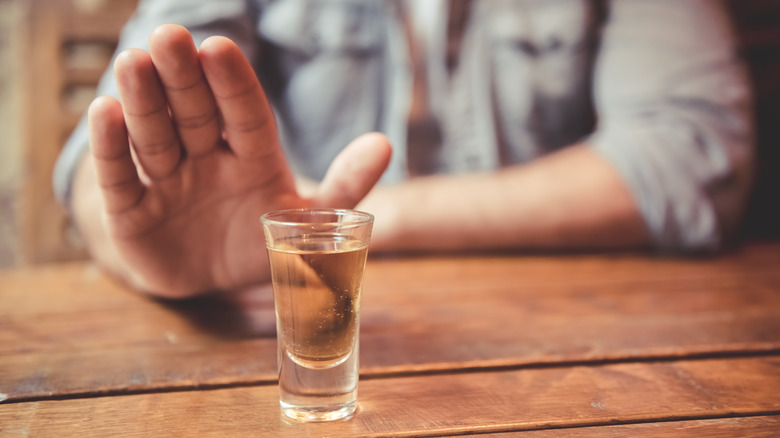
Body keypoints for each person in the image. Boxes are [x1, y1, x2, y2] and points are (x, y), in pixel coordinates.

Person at [53, 0, 754, 298]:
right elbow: (101, 144)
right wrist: (140, 252)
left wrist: (331, 226)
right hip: (275, 313)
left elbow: (693, 152)